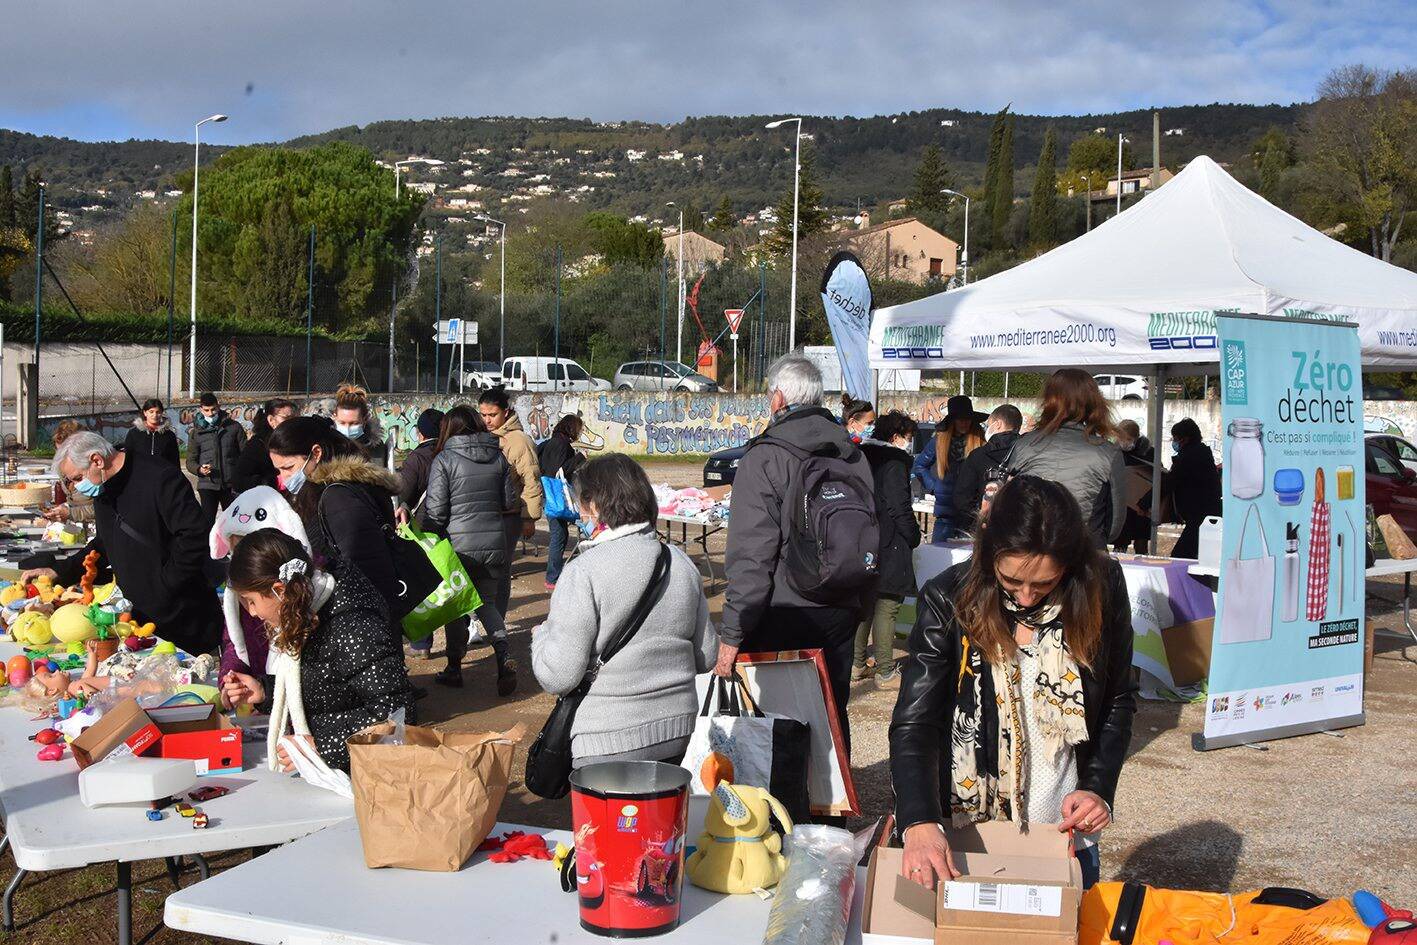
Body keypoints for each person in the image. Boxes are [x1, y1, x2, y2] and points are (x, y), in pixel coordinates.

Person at [890, 476, 1137, 892]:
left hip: (1063, 833)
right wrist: (918, 820)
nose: (1026, 597)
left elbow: (1118, 697)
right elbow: (917, 721)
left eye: (1044, 583)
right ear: (989, 555)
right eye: (1011, 581)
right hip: (972, 832)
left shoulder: (1102, 588)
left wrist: (1098, 789)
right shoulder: (949, 598)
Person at [717, 354, 873, 750]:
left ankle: (779, 812)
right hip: (841, 606)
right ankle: (830, 809)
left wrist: (732, 631)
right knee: (830, 716)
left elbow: (753, 554)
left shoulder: (765, 456)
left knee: (771, 726)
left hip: (782, 611)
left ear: (778, 398)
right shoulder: (851, 453)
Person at [532, 454, 715, 767]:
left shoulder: (583, 572)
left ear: (595, 505)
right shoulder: (680, 562)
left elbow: (559, 676)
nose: (579, 512)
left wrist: (540, 636)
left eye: (581, 503)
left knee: (606, 819)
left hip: (606, 740)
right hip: (678, 732)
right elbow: (706, 655)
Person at [221, 528, 415, 773]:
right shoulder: (307, 614)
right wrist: (265, 691)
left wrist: (320, 747)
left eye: (251, 601)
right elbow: (325, 687)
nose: (251, 612)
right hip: (337, 774)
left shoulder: (353, 625)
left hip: (365, 781)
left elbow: (398, 717)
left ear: (279, 591)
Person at [28, 432, 220, 656]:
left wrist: (165, 585)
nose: (77, 487)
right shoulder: (105, 487)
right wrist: (59, 571)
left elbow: (194, 536)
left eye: (78, 478)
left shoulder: (159, 477)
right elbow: (104, 543)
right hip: (138, 617)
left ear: (97, 460)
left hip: (185, 616)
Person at [421, 405, 520, 695]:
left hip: (459, 548)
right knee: (487, 603)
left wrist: (426, 534)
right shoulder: (498, 457)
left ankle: (454, 668)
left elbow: (436, 512)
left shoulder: (445, 460)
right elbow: (509, 501)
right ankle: (503, 653)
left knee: (457, 608)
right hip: (494, 543)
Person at [267, 416, 404, 620]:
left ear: (316, 453)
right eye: (278, 470)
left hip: (358, 622)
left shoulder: (338, 497)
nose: (283, 478)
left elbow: (358, 567)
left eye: (288, 468)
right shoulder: (322, 492)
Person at [1008, 369, 1127, 545]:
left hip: (1031, 550)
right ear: (1094, 401)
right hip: (1084, 551)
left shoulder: (1024, 445)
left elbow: (1011, 505)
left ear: (1048, 400)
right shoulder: (1108, 452)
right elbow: (1115, 524)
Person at [853, 410, 919, 684]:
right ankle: (885, 668)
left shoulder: (861, 456)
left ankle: (855, 663)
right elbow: (899, 506)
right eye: (908, 437)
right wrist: (913, 535)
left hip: (863, 537)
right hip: (889, 540)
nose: (910, 443)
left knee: (865, 605)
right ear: (896, 437)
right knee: (888, 605)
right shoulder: (895, 462)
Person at [478, 387, 544, 619]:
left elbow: (531, 480)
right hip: (484, 514)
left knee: (501, 572)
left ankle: (498, 620)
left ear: (506, 412)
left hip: (509, 515)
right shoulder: (481, 436)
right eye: (483, 415)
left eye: (492, 415)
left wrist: (529, 518)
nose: (487, 420)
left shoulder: (519, 441)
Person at [913, 395, 985, 541]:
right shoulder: (939, 441)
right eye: (960, 418)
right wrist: (933, 487)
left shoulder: (980, 441)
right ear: (953, 420)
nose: (965, 422)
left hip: (971, 515)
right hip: (945, 515)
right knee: (939, 560)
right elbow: (919, 466)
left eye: (967, 418)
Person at [952, 404, 1024, 535]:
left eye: (988, 424)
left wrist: (978, 519)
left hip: (983, 528)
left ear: (998, 424)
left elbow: (962, 498)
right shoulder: (1028, 454)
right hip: (1018, 528)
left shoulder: (978, 455)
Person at [537, 414, 586, 590]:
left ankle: (554, 574)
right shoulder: (561, 444)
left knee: (561, 534)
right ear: (572, 428)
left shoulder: (550, 442)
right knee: (559, 535)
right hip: (557, 496)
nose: (580, 433)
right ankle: (552, 577)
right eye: (579, 429)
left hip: (549, 495)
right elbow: (560, 471)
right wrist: (580, 457)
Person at [186, 392, 247, 521]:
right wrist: (200, 469)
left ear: (218, 406)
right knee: (207, 523)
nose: (210, 413)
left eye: (213, 409)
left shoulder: (234, 427)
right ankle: (208, 542)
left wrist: (239, 476)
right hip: (207, 484)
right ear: (201, 409)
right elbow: (190, 461)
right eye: (206, 410)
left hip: (230, 485)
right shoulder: (196, 432)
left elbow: (245, 455)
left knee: (234, 521)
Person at [1166, 418, 1221, 559]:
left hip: (1199, 514)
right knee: (1197, 553)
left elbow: (1170, 481)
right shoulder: (1202, 453)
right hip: (1205, 512)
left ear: (1185, 439)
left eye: (1176, 439)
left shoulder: (1188, 457)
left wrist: (1144, 503)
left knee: (1181, 555)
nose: (1174, 442)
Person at [234, 398, 297, 493]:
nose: (291, 423)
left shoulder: (298, 440)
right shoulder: (258, 444)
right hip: (271, 501)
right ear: (271, 420)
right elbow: (239, 481)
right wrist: (274, 482)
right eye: (286, 418)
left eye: (293, 418)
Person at [1113, 420, 1155, 555]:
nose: (1124, 442)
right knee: (1120, 546)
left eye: (1129, 439)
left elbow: (1158, 476)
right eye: (1121, 438)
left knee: (1141, 544)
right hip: (1122, 506)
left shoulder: (1149, 453)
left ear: (1136, 438)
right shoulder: (1114, 452)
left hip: (1142, 506)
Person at [41, 421, 94, 526]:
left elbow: (105, 508)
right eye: (58, 452)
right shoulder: (63, 468)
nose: (62, 458)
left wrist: (70, 513)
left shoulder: (96, 470)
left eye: (66, 453)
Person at [396, 408, 445, 513]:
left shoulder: (416, 458)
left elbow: (404, 495)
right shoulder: (451, 453)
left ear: (420, 433)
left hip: (423, 521)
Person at [332, 384, 389, 468]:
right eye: (342, 423)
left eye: (354, 423)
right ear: (334, 417)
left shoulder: (376, 449)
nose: (347, 428)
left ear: (365, 420)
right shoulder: (326, 447)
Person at [124, 398, 180, 467]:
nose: (155, 415)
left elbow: (175, 460)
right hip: (139, 475)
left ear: (162, 413)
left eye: (158, 412)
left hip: (163, 475)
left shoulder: (169, 435)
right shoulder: (134, 433)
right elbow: (127, 458)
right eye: (151, 412)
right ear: (145, 413)